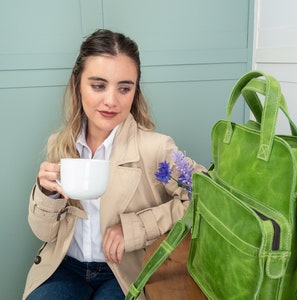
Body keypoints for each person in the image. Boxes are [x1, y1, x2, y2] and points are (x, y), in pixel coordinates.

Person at [23, 29, 206, 300]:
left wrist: (133, 228)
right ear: (78, 84)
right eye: (98, 85)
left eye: (124, 88)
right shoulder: (60, 145)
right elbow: (44, 232)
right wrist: (46, 193)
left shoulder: (156, 148)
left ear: (135, 91)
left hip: (124, 270)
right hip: (63, 267)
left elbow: (202, 198)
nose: (111, 100)